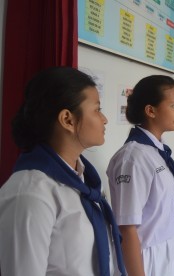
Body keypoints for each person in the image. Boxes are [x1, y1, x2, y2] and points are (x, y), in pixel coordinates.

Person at [0, 67, 126, 275]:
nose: (104, 119)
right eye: (96, 109)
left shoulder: (84, 180)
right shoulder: (30, 195)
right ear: (68, 119)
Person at [107, 75, 174, 276]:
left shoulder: (156, 151)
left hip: (168, 246)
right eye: (173, 105)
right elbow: (127, 229)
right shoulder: (132, 159)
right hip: (147, 256)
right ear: (150, 110)